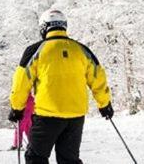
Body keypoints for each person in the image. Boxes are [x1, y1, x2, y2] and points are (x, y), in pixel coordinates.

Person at [8, 9, 113, 164]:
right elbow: (98, 78)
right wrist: (105, 104)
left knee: (36, 157)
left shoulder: (35, 50)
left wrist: (17, 108)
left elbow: (21, 83)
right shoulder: (81, 50)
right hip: (75, 117)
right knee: (69, 160)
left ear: (44, 28)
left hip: (47, 115)